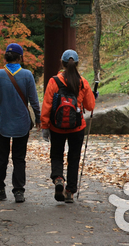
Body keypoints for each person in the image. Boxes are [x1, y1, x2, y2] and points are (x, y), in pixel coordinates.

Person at [40, 49, 96, 204]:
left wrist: (45, 126)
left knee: (57, 154)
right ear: (76, 64)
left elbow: (47, 106)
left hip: (57, 126)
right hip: (77, 127)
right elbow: (90, 106)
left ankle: (58, 178)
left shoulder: (54, 81)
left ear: (62, 63)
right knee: (74, 157)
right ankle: (70, 191)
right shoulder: (83, 82)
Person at [0, 43, 41, 203]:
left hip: (2, 122)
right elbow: (34, 100)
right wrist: (38, 117)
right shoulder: (27, 75)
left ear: (6, 57)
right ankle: (19, 191)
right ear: (20, 58)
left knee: (1, 157)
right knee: (19, 157)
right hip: (22, 122)